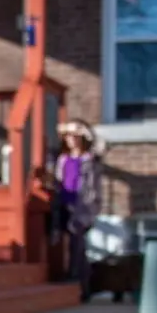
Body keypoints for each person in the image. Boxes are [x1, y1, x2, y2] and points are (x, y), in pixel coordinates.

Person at [49, 120, 103, 295]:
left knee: (77, 243)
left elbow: (92, 187)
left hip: (82, 206)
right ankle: (74, 276)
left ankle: (79, 280)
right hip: (65, 202)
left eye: (75, 136)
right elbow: (58, 180)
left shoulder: (89, 160)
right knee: (66, 241)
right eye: (68, 137)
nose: (71, 140)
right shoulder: (63, 160)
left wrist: (89, 209)